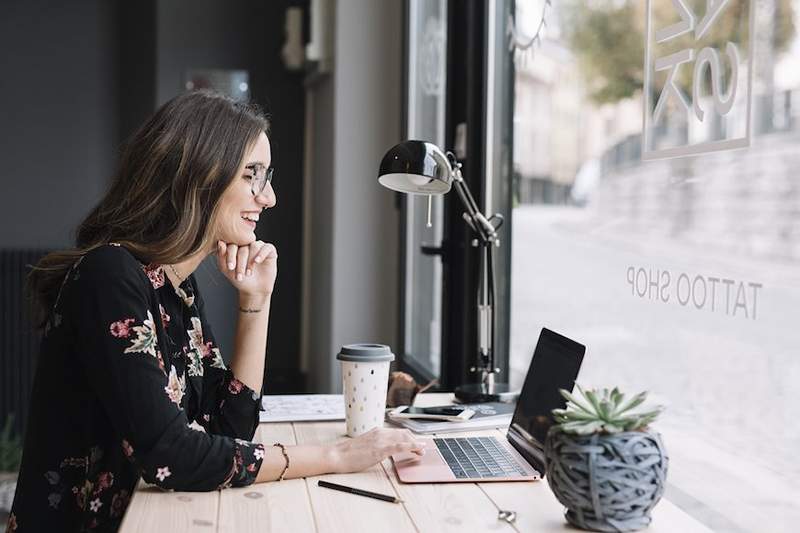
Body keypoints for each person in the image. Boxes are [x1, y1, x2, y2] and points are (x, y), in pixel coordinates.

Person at [7, 90, 425, 533]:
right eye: (253, 175)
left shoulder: (175, 285)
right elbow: (169, 455)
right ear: (197, 176)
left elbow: (228, 426)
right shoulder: (110, 277)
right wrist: (336, 456)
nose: (270, 198)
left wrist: (256, 302)